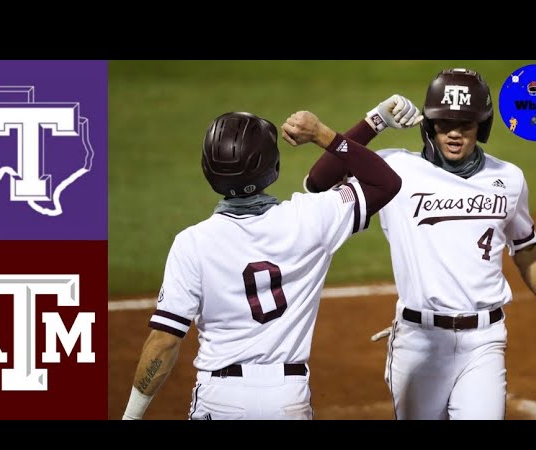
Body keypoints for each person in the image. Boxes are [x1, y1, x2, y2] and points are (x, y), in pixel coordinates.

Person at [304, 68, 536, 420]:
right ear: (428, 125)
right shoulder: (394, 170)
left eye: (465, 125)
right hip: (418, 342)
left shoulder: (508, 179)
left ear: (481, 127)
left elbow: (527, 247)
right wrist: (375, 121)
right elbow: (317, 182)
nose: (454, 133)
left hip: (485, 341)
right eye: (443, 123)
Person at [122, 106, 418, 420]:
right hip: (286, 399)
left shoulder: (192, 243)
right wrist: (347, 127)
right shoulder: (310, 219)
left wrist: (130, 417)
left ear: (208, 169)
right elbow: (384, 183)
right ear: (272, 166)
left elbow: (164, 342)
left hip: (220, 399)